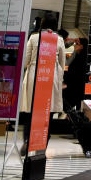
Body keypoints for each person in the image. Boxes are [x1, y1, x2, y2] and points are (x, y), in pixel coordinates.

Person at [18, 11, 67, 156]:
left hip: (34, 76)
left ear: (42, 24)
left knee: (32, 112)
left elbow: (26, 61)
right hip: (50, 78)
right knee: (48, 111)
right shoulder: (59, 39)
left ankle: (28, 140)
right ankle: (43, 143)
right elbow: (62, 63)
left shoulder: (33, 38)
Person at [62, 35, 88, 111]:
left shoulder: (82, 59)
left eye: (77, 44)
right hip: (74, 87)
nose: (75, 45)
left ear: (82, 46)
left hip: (75, 88)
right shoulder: (78, 56)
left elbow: (67, 65)